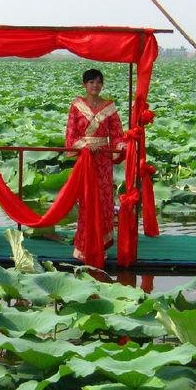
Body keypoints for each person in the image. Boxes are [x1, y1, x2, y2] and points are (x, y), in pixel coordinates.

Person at [66, 68, 125, 261]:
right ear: (84, 85)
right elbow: (71, 137)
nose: (95, 86)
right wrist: (85, 145)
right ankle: (82, 246)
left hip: (103, 161)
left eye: (99, 82)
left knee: (103, 201)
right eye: (91, 82)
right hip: (86, 160)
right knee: (86, 201)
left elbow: (117, 135)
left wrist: (124, 144)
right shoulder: (76, 106)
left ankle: (99, 244)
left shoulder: (109, 107)